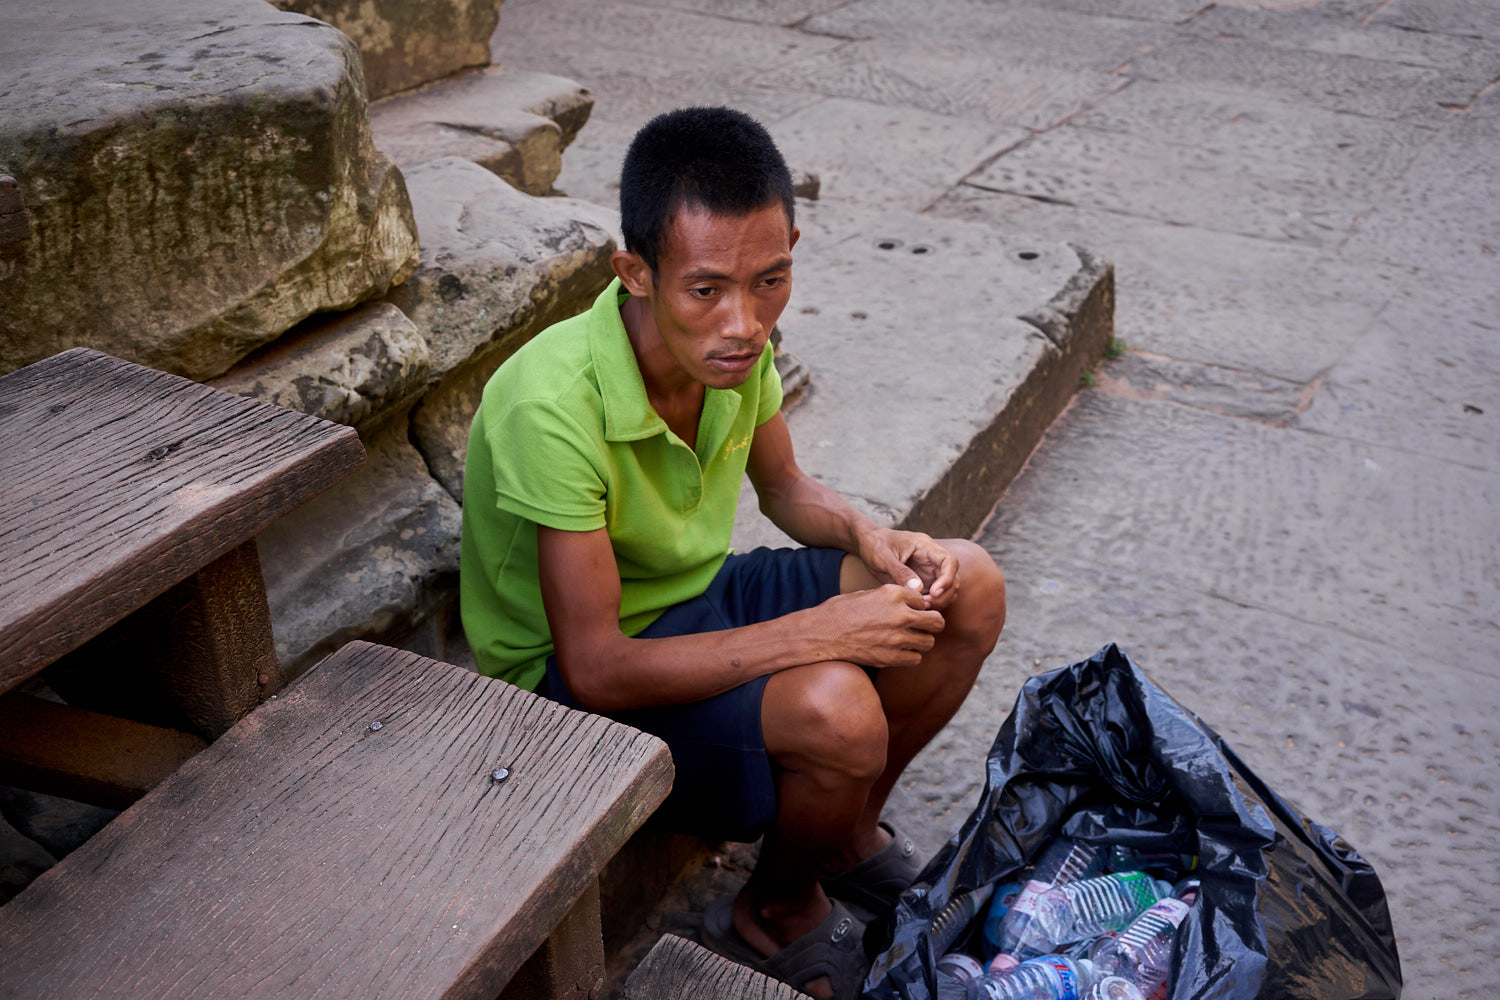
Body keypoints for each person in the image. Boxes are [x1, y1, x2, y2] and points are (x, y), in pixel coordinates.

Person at [460, 106, 1006, 999]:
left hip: (699, 599)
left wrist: (871, 534)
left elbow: (785, 488)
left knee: (964, 583)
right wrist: (826, 632)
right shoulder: (549, 404)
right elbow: (596, 669)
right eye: (707, 288)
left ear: (790, 246)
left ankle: (844, 840)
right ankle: (778, 907)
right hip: (569, 685)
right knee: (837, 710)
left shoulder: (732, 347)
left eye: (771, 281)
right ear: (635, 273)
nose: (744, 324)